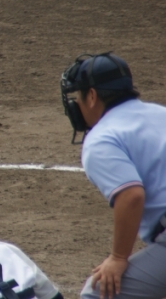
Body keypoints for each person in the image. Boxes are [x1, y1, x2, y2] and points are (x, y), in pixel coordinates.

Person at [60, 52, 166, 299]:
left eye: (78, 96)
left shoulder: (102, 139)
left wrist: (118, 258)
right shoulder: (160, 113)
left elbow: (131, 195)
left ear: (92, 96)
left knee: (99, 292)